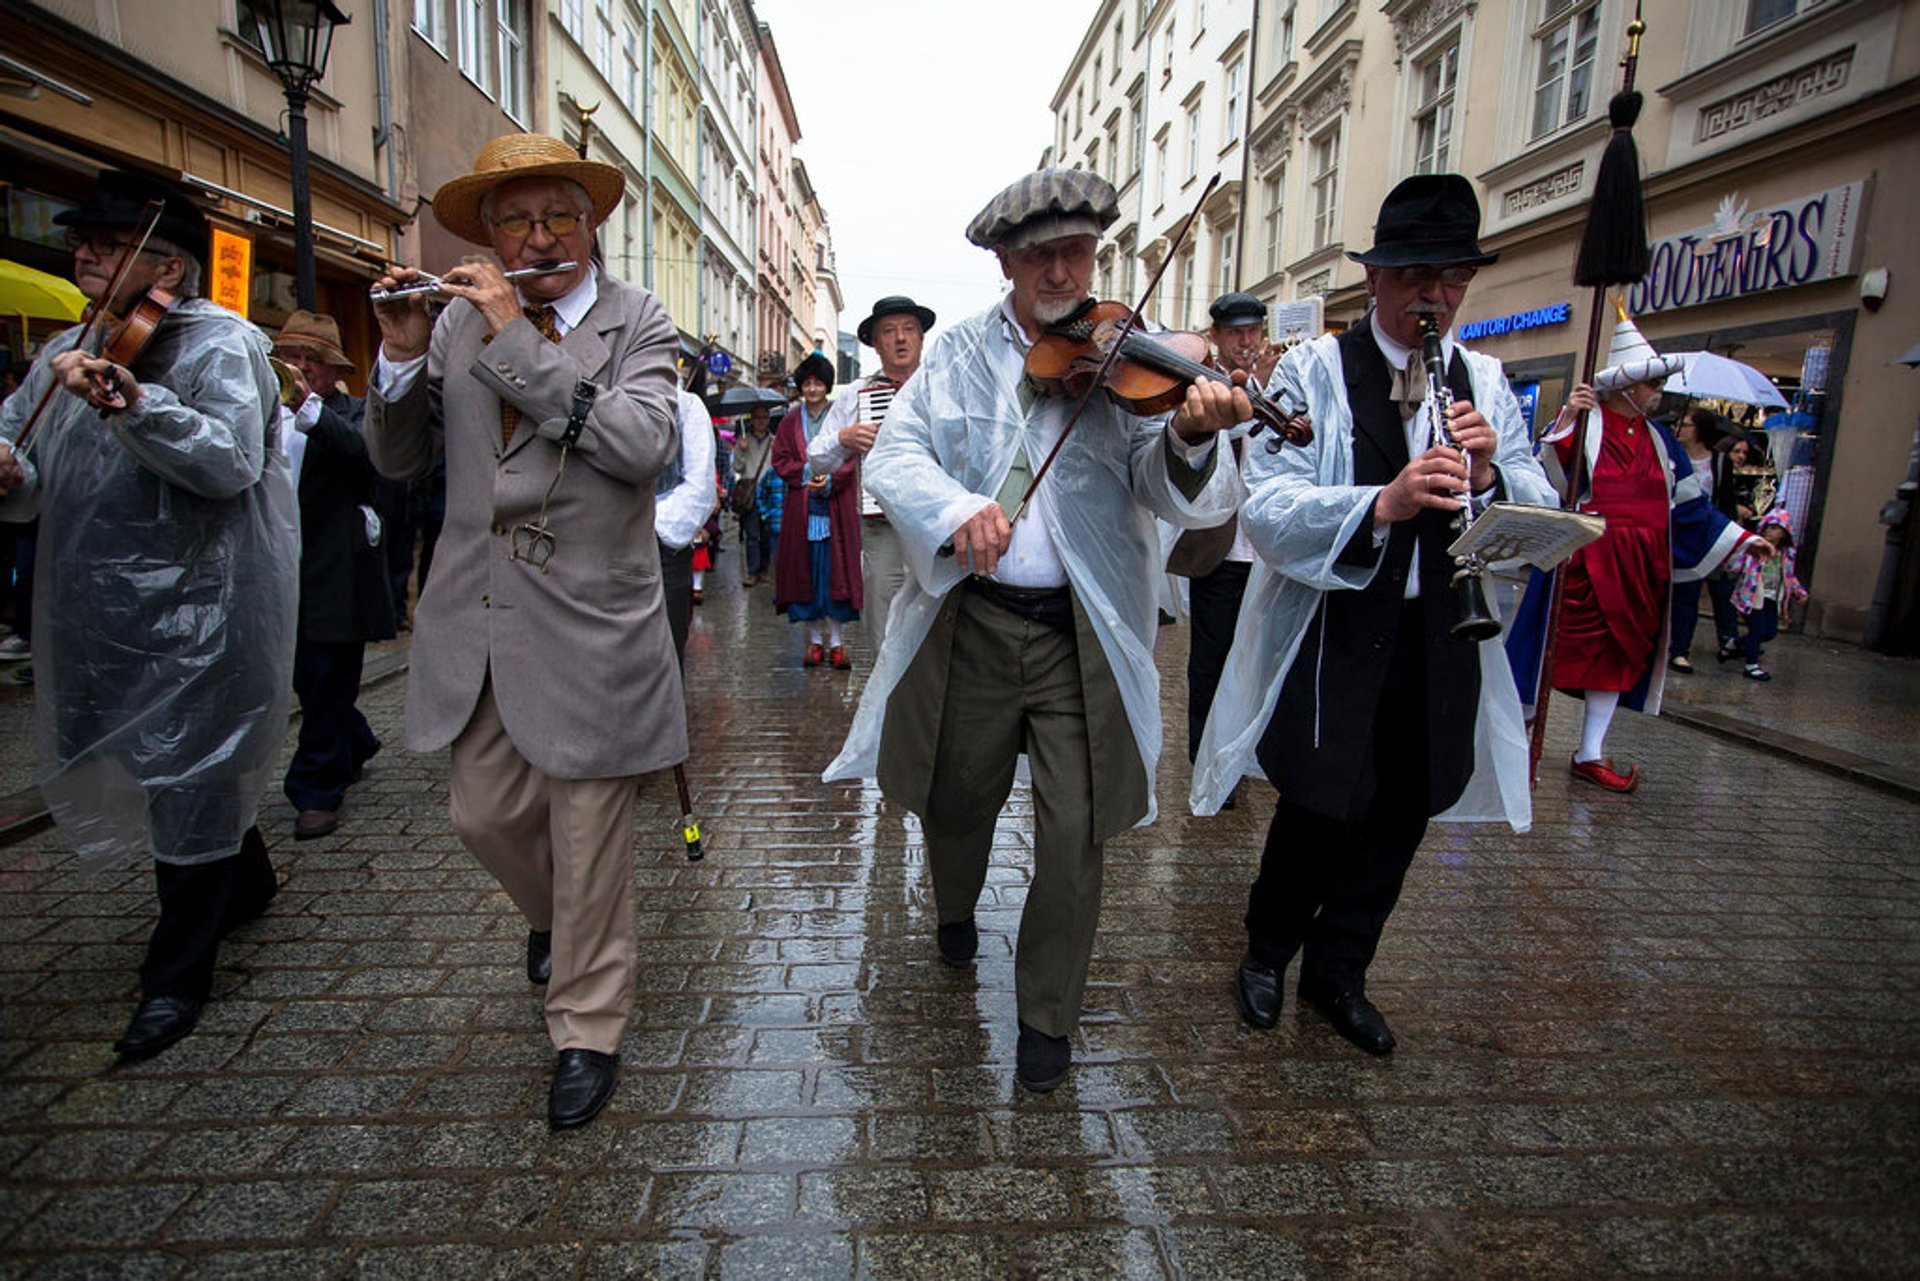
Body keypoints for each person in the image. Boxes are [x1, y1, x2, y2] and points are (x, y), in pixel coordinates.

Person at [822, 168, 1248, 1091]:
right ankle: (955, 902)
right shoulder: (960, 355)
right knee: (956, 796)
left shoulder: (1124, 350)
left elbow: (1161, 483)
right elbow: (898, 454)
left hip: (1078, 631)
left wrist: (1191, 436)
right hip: (975, 618)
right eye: (1042, 254)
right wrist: (955, 507)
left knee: (1074, 831)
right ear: (1007, 261)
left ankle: (1047, 1013)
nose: (1063, 271)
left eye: (1079, 252)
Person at [1192, 173, 1559, 1055]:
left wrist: (1490, 478)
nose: (1435, 296)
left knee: (1401, 810)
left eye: (1452, 278)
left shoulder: (1487, 380)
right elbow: (1267, 506)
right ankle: (1267, 952)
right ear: (1381, 279)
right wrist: (1381, 502)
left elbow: (1537, 507)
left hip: (1442, 633)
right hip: (1339, 629)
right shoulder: (1317, 369)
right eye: (1415, 277)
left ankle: (1340, 971)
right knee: (1319, 804)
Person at [365, 133, 686, 1130]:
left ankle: (587, 1026)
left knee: (591, 838)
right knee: (484, 816)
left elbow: (641, 447)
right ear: (490, 234)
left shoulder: (639, 321)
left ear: (592, 228)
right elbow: (400, 458)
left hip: (594, 621)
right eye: (516, 221)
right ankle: (557, 921)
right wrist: (401, 351)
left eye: (558, 218)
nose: (538, 236)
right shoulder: (458, 325)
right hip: (480, 616)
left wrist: (514, 340)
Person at [0, 168, 297, 1059]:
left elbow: (229, 459)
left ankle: (175, 979)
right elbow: (23, 436)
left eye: (106, 239)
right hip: (98, 603)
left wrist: (136, 402)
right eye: (80, 239)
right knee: (156, 762)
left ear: (167, 262)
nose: (84, 252)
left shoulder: (221, 345)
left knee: (191, 771)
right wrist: (9, 467)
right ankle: (242, 877)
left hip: (203, 603)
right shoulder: (73, 341)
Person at [1507, 312, 1770, 793]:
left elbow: (1689, 504)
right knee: (1544, 651)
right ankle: (1517, 743)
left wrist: (1742, 538)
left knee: (1617, 658)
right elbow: (1549, 474)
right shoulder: (1586, 422)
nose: (1657, 394)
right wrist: (1567, 419)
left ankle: (1590, 751)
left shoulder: (1661, 438)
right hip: (1584, 559)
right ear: (1624, 385)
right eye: (1650, 385)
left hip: (1638, 569)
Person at [275, 310, 398, 840]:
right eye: (292, 358)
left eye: (312, 361)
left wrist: (309, 408)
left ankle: (316, 789)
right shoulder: (258, 413)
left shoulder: (348, 413)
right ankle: (355, 738)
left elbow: (370, 461)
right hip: (276, 569)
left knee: (327, 680)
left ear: (331, 370)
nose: (301, 369)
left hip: (334, 573)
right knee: (305, 679)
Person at [1172, 291, 1287, 808]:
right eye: (1236, 334)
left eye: (1253, 333)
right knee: (1210, 664)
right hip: (1219, 550)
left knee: (1262, 662)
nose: (1246, 343)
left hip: (1268, 554)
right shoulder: (1202, 388)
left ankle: (1253, 756)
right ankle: (1210, 763)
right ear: (1215, 336)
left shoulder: (1285, 389)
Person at [807, 296, 935, 651]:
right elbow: (816, 459)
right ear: (875, 344)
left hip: (936, 527)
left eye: (909, 330)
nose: (900, 338)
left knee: (938, 621)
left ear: (921, 339)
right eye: (889, 332)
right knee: (884, 622)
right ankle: (889, 701)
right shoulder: (858, 394)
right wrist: (843, 438)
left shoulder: (942, 386)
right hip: (883, 527)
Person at [772, 352, 861, 669]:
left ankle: (837, 643)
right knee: (805, 574)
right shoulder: (789, 422)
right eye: (807, 383)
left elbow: (851, 456)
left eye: (818, 383)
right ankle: (815, 642)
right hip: (803, 511)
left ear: (827, 386)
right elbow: (780, 460)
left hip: (836, 508)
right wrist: (809, 475)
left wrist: (830, 481)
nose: (812, 389)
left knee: (834, 575)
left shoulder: (841, 417)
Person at [656, 372, 718, 664]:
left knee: (664, 655)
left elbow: (700, 489)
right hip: (599, 551)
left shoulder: (686, 407)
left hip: (662, 549)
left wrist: (646, 526)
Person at [1664, 405, 1730, 674]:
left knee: (1689, 593)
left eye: (1687, 424)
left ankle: (1680, 650)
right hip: (1668, 530)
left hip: (1699, 532)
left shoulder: (1718, 461)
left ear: (1699, 429)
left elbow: (1725, 499)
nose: (1680, 429)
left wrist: (1726, 536)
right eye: (1678, 423)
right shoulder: (1669, 454)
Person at [1731, 506, 1807, 681]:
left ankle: (1734, 644)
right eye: (1766, 527)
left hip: (1772, 598)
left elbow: (1789, 576)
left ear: (1784, 532)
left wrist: (1799, 591)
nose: (1768, 532)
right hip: (1753, 596)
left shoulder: (1785, 554)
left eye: (1774, 528)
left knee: (1769, 632)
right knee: (1757, 630)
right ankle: (1751, 665)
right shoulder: (1755, 548)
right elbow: (1738, 564)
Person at [731, 406, 775, 585]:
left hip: (770, 493)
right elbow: (737, 467)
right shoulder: (743, 441)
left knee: (766, 534)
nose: (760, 421)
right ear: (752, 420)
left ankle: (764, 569)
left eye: (764, 417)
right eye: (757, 418)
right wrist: (741, 450)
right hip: (750, 494)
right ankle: (752, 571)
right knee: (751, 535)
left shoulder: (775, 441)